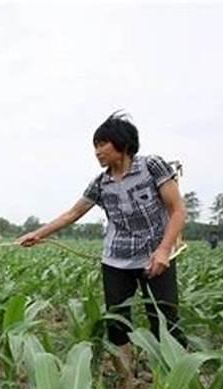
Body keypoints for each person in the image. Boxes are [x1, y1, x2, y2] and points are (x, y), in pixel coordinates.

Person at [16, 112, 188, 358]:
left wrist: (163, 250)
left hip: (156, 257)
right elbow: (72, 214)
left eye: (102, 144)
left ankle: (174, 376)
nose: (97, 152)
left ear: (123, 143)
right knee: (117, 323)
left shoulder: (152, 167)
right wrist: (36, 234)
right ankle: (128, 380)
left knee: (165, 319)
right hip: (116, 260)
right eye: (95, 146)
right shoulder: (100, 183)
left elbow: (178, 210)